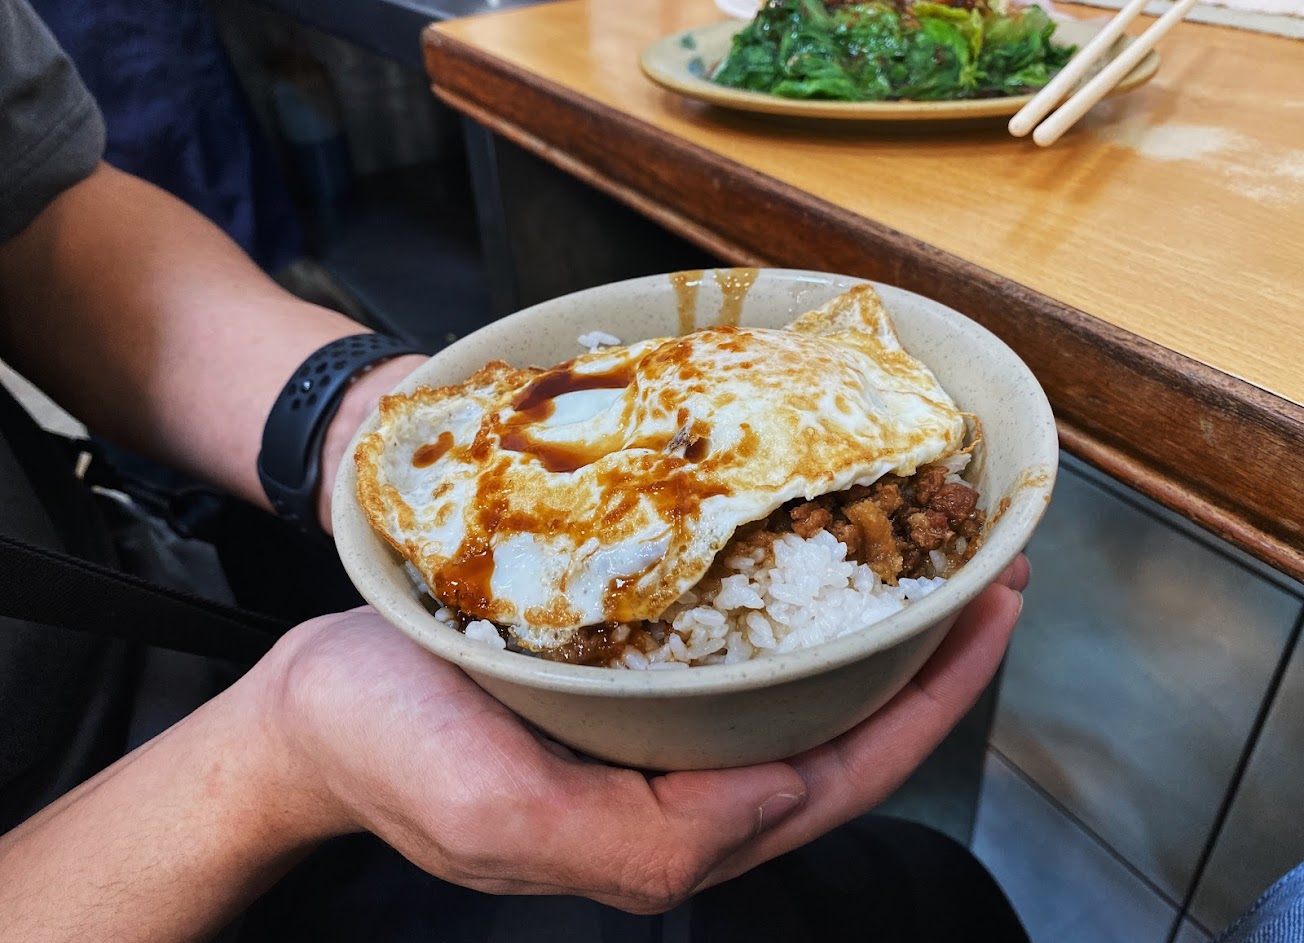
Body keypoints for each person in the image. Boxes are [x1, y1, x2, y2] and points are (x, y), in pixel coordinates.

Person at [0, 1, 1033, 939]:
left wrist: (375, 427)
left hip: (162, 597)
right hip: (143, 853)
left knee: (930, 891)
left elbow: (41, 209)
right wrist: (272, 765)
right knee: (922, 905)